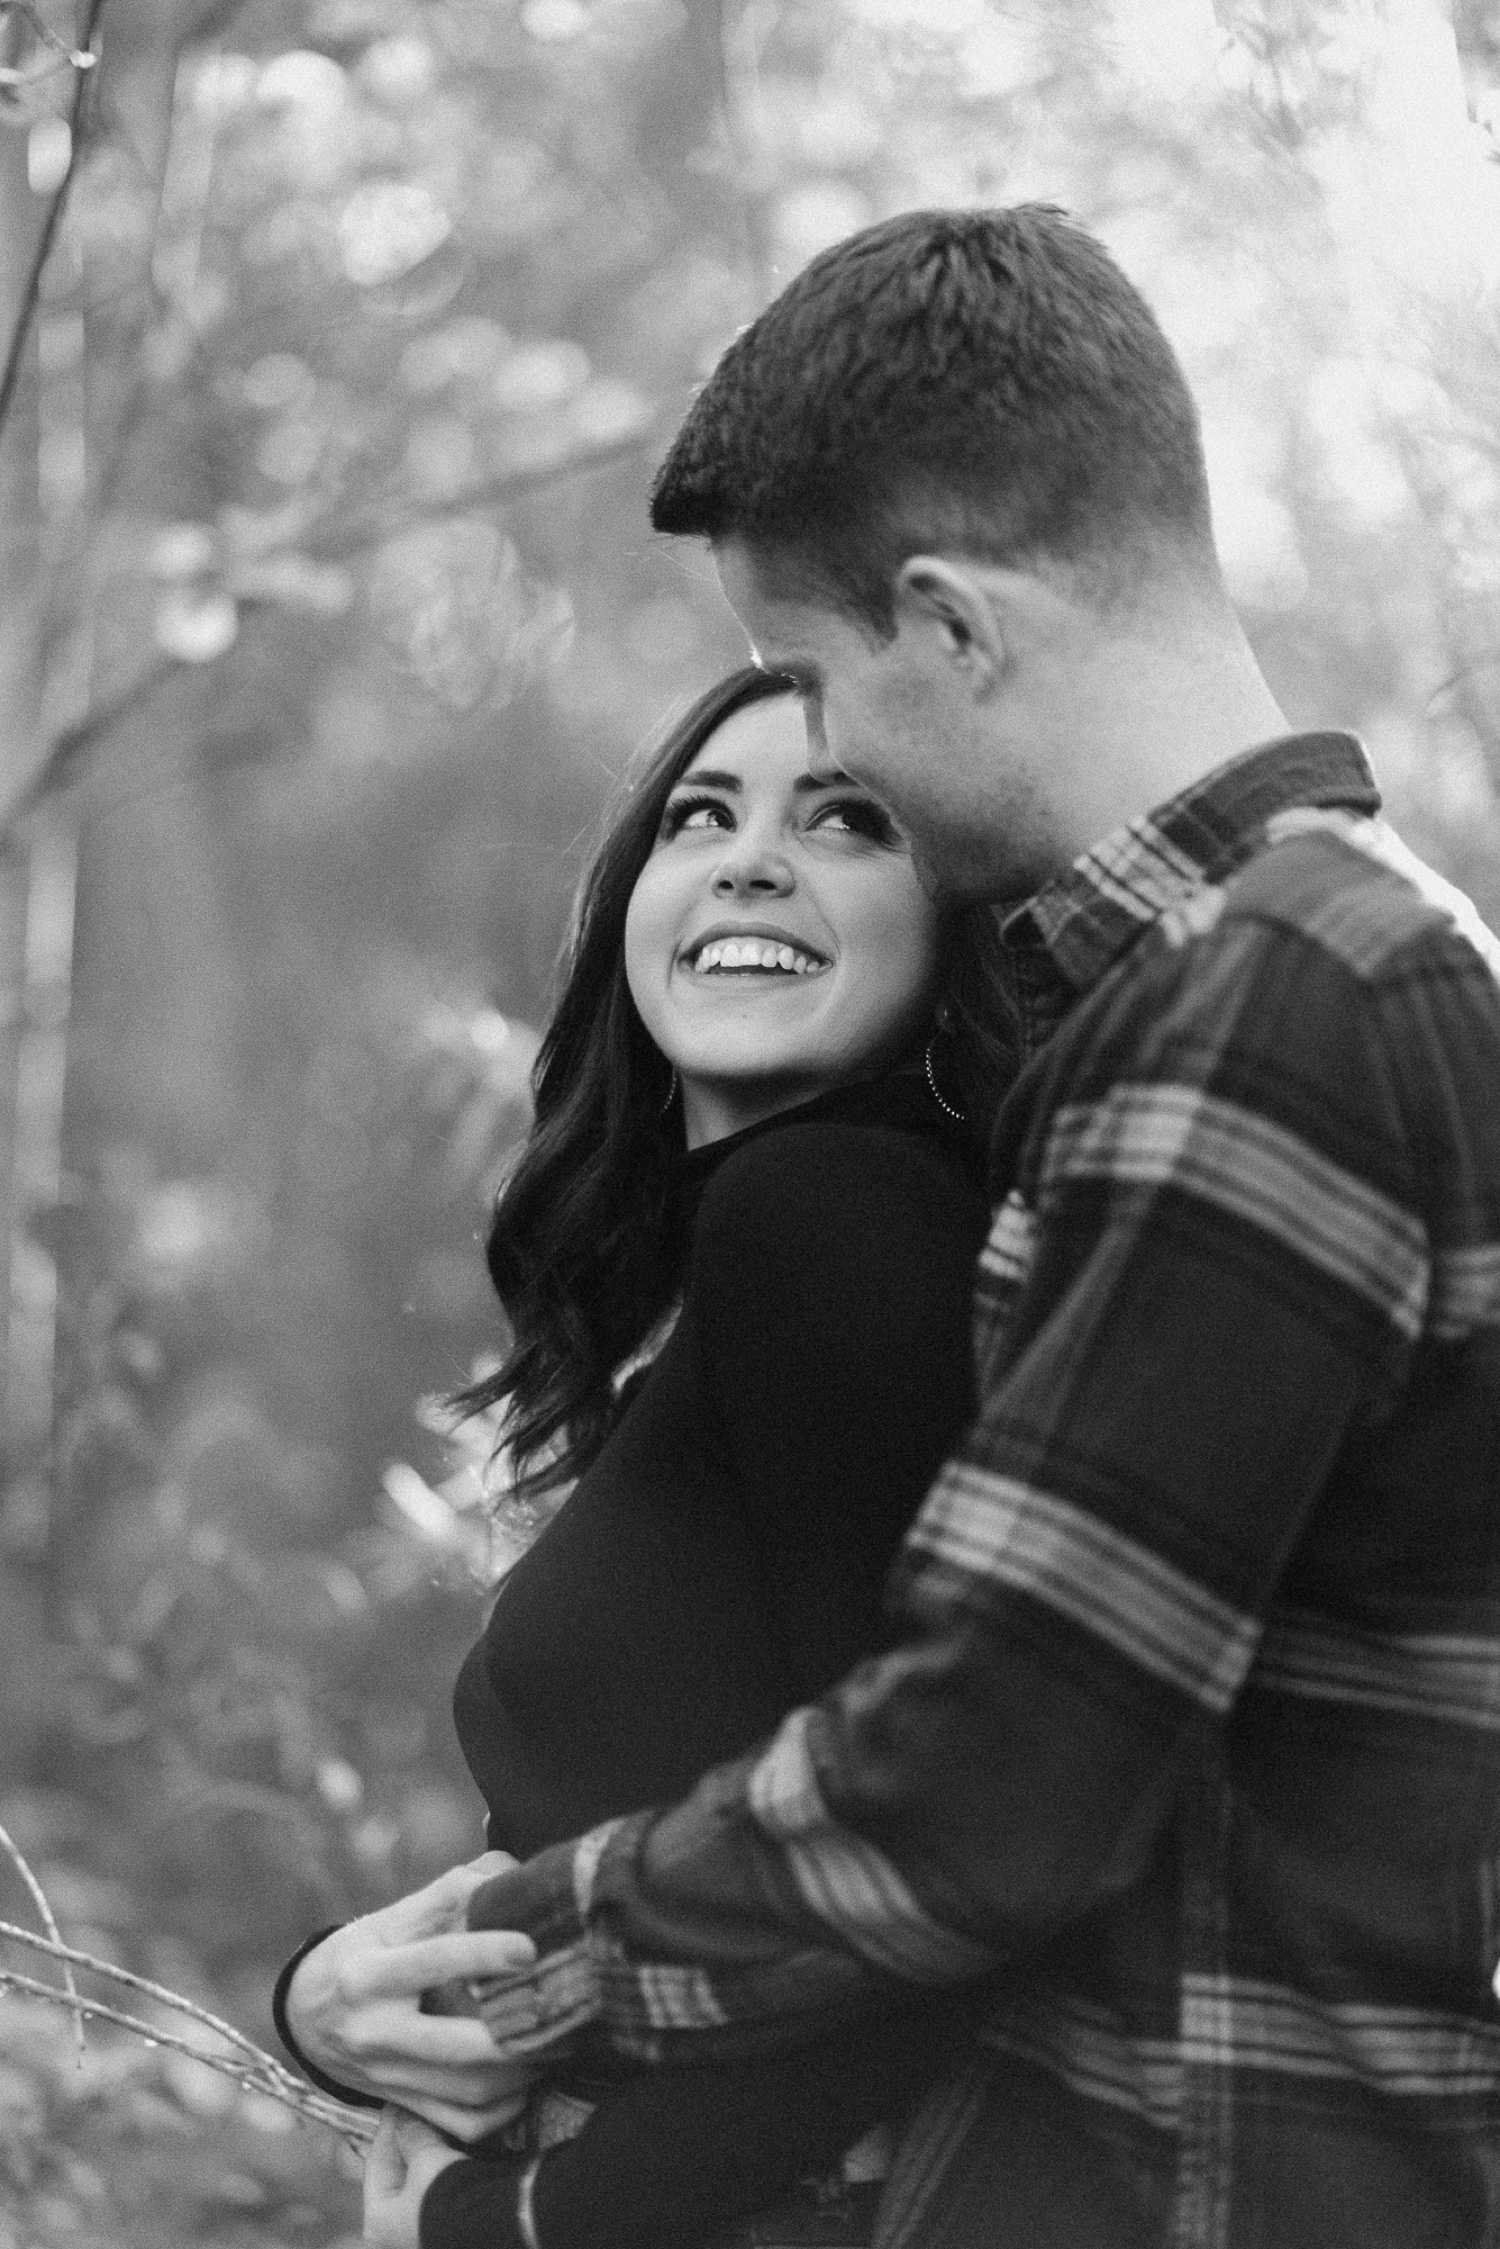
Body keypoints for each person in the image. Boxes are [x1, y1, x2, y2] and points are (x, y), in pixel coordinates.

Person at [436, 205, 1500, 2249]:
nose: (813, 753)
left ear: (949, 624)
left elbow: (982, 1797)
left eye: (809, 684)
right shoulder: (1252, 985)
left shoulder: (1286, 997)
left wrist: (485, 1960)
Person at [274, 663, 1018, 2247]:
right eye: (703, 814)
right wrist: (319, 2000)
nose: (752, 856)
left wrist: (530, 2221)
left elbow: (940, 1884)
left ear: (951, 929)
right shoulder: (738, 1276)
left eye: (849, 820)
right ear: (634, 899)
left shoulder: (834, 1218)